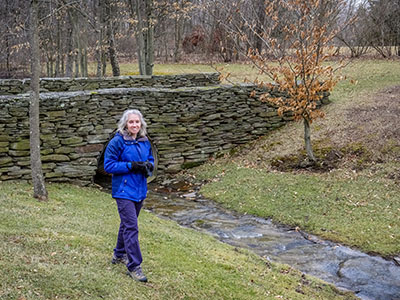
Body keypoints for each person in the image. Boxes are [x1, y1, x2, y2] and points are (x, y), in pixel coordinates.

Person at [104, 109, 154, 282]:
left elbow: (151, 160)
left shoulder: (144, 141)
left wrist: (147, 167)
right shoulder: (117, 142)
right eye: (131, 122)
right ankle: (134, 266)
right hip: (124, 191)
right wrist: (131, 166)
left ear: (141, 124)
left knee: (127, 224)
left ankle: (118, 254)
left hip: (139, 190)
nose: (134, 125)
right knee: (132, 227)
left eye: (137, 122)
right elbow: (108, 166)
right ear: (125, 123)